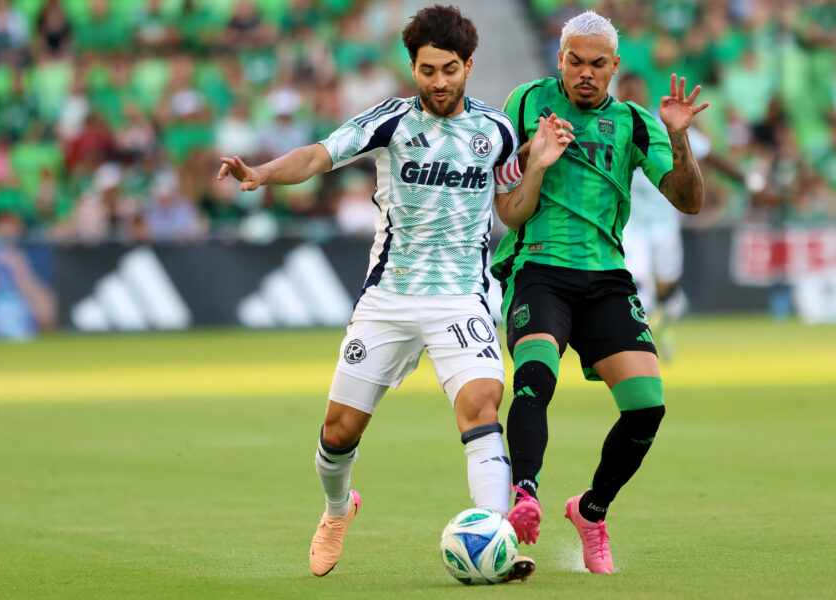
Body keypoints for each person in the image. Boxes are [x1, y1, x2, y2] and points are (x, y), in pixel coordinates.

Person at [218, 5, 572, 580]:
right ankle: (338, 509)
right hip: (391, 296)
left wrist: (535, 167)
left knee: (483, 406)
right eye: (428, 70)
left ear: (468, 66)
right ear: (413, 68)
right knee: (338, 433)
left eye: (450, 70)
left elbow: (512, 210)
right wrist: (262, 172)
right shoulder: (391, 122)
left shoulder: (497, 131)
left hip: (461, 296)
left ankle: (495, 540)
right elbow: (318, 155)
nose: (439, 82)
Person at [489, 10, 707, 574]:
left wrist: (679, 137)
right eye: (575, 62)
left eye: (597, 64)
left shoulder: (636, 122)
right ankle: (525, 494)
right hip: (539, 267)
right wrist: (535, 159)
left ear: (615, 67)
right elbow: (508, 209)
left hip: (606, 276)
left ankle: (591, 511)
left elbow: (690, 201)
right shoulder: (526, 103)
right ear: (560, 60)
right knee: (535, 377)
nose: (585, 73)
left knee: (647, 407)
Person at [617, 72, 710, 361]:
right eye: (626, 91)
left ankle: (662, 324)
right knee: (638, 283)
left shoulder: (664, 125)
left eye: (636, 90)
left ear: (645, 93)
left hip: (665, 224)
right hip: (630, 225)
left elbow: (707, 152)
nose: (632, 96)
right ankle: (641, 347)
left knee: (667, 287)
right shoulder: (610, 128)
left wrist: (747, 180)